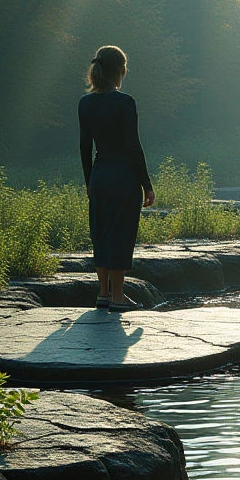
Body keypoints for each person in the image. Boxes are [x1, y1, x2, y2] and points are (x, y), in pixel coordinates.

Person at [78, 45, 156, 311]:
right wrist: (147, 184)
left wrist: (89, 180)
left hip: (99, 176)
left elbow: (84, 146)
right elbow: (133, 146)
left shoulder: (85, 103)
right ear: (121, 71)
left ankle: (103, 293)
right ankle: (119, 297)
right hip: (124, 178)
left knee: (101, 232)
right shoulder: (126, 102)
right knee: (121, 234)